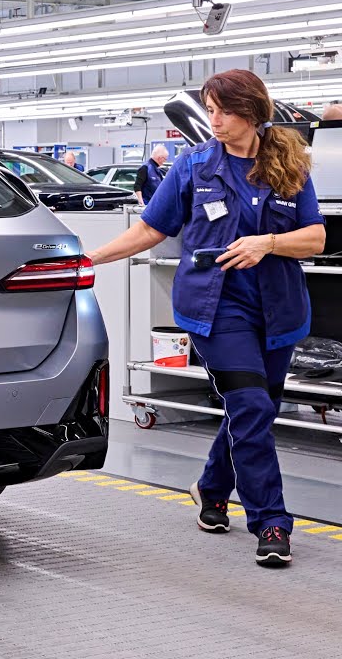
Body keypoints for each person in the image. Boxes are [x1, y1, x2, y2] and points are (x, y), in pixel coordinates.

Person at [89, 69, 325, 567]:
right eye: (210, 110)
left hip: (279, 311)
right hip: (217, 311)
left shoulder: (289, 164)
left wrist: (270, 243)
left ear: (252, 112)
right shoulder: (194, 166)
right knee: (253, 407)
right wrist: (92, 258)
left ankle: (212, 488)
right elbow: (152, 229)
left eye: (223, 110)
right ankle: (273, 522)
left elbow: (316, 239)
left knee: (253, 409)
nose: (213, 120)